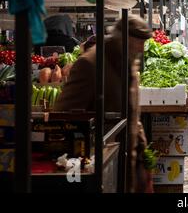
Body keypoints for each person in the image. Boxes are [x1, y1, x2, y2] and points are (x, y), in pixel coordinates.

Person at [54, 15, 152, 192]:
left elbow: (132, 114)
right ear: (123, 38)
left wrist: (142, 155)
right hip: (100, 167)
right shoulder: (90, 64)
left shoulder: (130, 64)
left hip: (124, 164)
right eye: (138, 41)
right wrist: (76, 173)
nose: (141, 48)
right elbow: (63, 117)